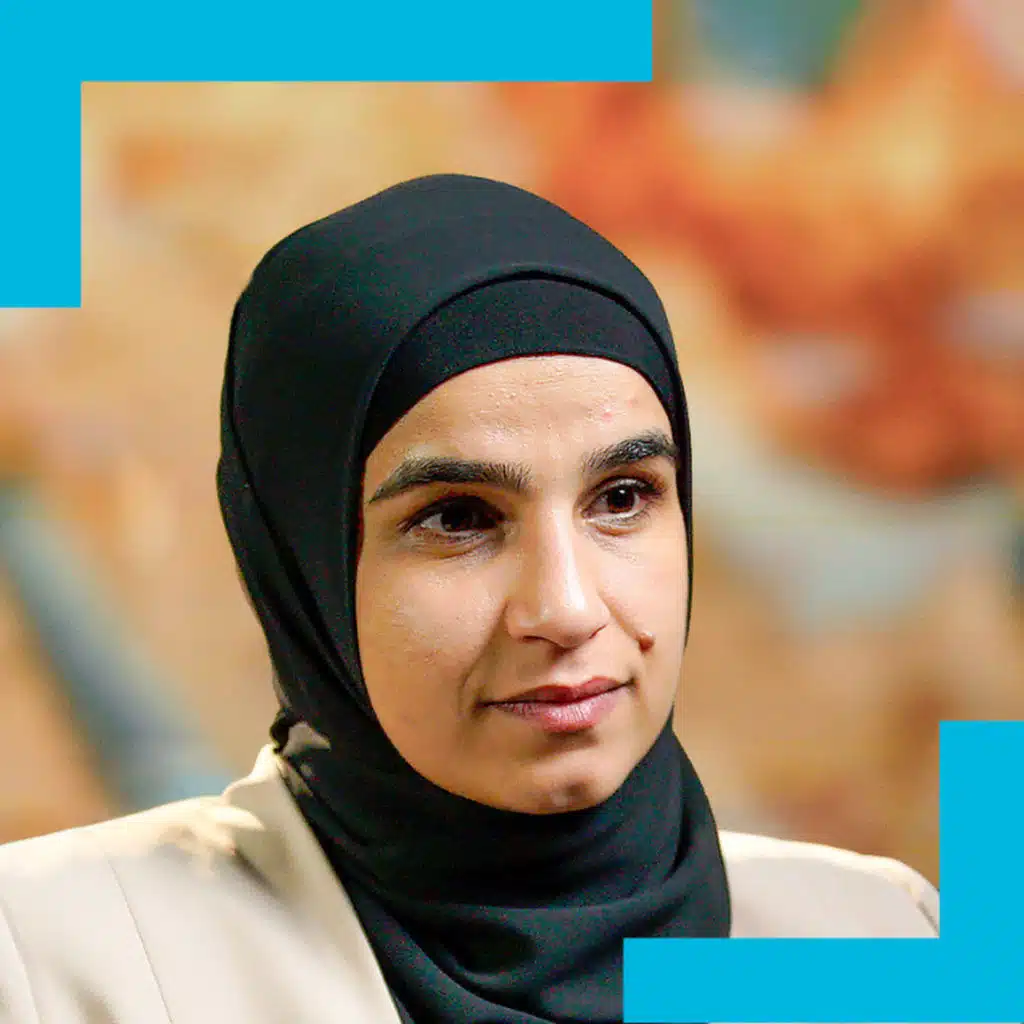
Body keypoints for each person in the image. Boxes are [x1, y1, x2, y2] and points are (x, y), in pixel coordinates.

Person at [0, 174, 937, 1024]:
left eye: (622, 498)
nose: (567, 609)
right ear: (304, 566)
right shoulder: (57, 967)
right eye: (457, 518)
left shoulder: (879, 939)